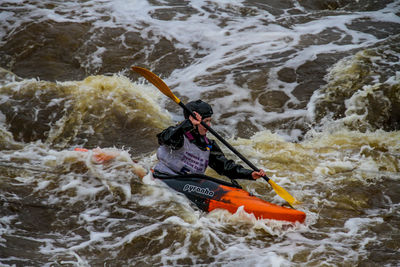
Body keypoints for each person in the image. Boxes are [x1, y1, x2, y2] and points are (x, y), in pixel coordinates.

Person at [153, 99, 265, 183]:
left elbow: (225, 167)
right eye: (205, 121)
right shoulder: (177, 134)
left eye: (209, 121)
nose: (208, 125)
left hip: (189, 183)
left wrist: (250, 174)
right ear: (192, 120)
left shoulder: (208, 145)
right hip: (164, 177)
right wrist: (188, 124)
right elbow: (165, 139)